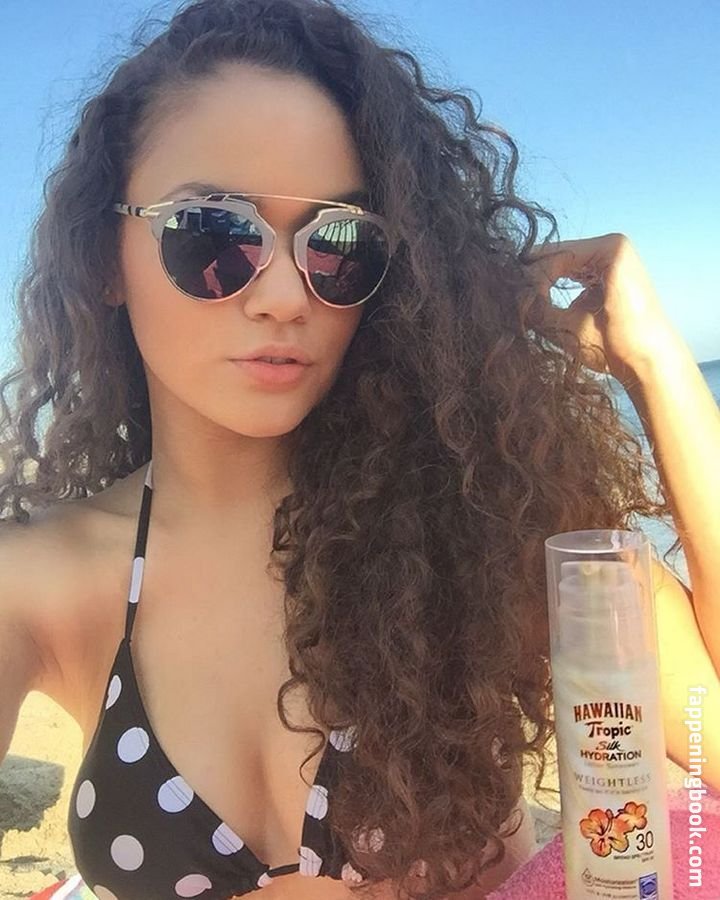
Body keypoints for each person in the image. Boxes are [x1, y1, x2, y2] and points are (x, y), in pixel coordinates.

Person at [2, 1, 716, 899]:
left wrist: (658, 370)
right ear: (105, 258)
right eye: (214, 233)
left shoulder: (481, 522)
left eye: (338, 243)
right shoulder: (34, 581)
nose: (283, 296)